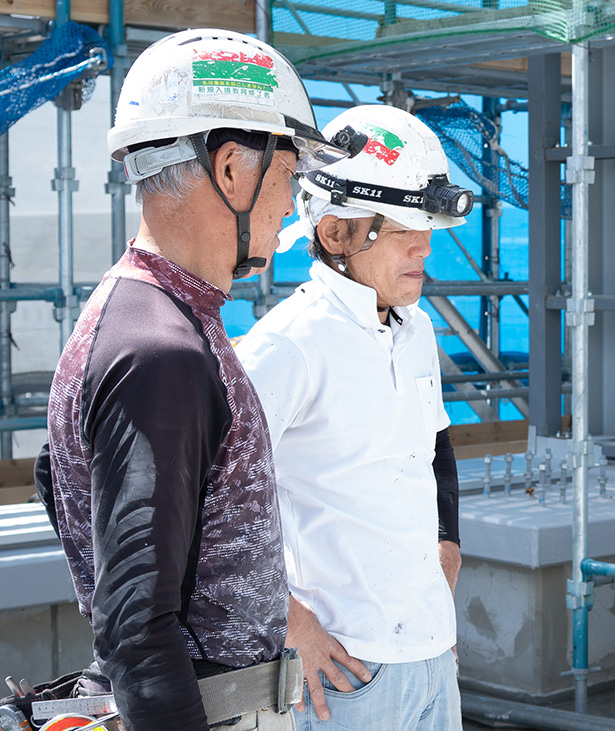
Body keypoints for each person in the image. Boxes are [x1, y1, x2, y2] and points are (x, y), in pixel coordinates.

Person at [34, 29, 354, 731]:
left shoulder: (152, 319)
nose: (289, 207)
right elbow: (138, 629)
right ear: (232, 169)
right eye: (288, 175)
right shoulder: (160, 350)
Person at [235, 105, 471, 730]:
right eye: (402, 228)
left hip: (430, 651)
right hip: (343, 672)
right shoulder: (288, 345)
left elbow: (435, 447)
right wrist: (288, 621)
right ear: (336, 233)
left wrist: (447, 547)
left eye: (426, 228)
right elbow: (209, 499)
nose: (424, 246)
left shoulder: (415, 329)